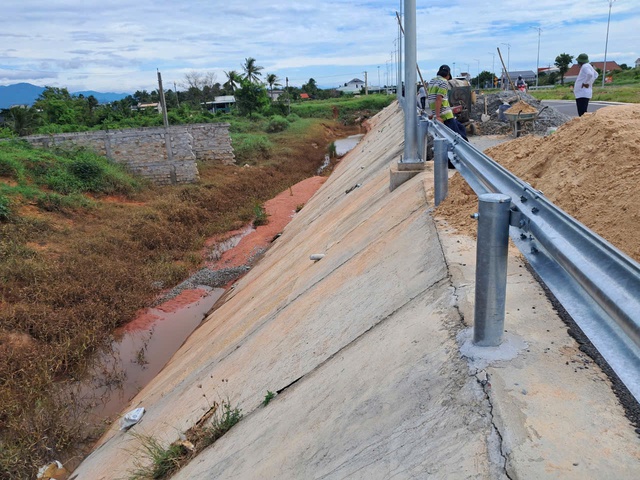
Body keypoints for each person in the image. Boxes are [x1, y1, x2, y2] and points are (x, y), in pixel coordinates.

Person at [427, 64, 468, 141]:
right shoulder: (444, 82)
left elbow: (431, 98)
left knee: (461, 128)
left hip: (441, 113)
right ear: (448, 75)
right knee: (459, 137)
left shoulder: (432, 81)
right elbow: (438, 98)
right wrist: (438, 116)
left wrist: (434, 113)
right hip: (445, 115)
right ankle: (467, 151)